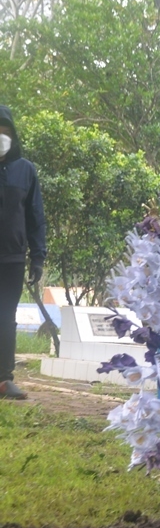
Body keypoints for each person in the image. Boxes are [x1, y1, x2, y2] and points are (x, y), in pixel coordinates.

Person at [0, 105, 46, 400]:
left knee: (6, 319)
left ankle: (4, 381)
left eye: (4, 131)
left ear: (13, 135)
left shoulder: (26, 170)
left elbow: (35, 217)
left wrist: (38, 256)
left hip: (11, 259)